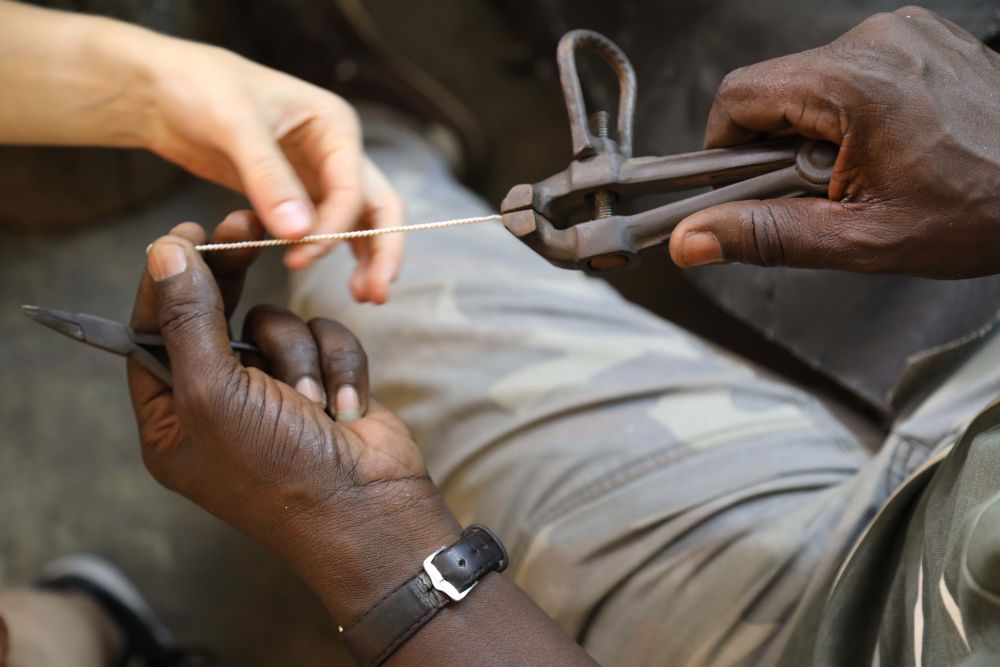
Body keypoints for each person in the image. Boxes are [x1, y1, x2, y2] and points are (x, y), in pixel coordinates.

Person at [3, 5, 1000, 667]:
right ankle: (378, 142)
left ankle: (379, 145)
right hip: (947, 480)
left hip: (831, 631)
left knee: (359, 274)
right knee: (361, 246)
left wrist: (370, 537)